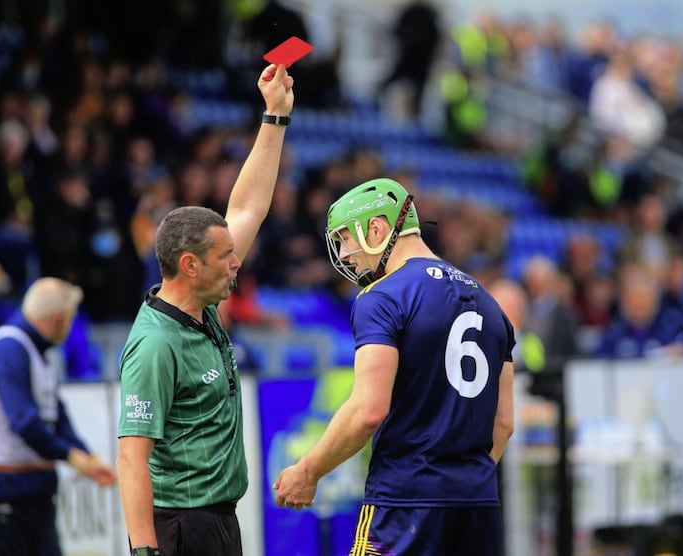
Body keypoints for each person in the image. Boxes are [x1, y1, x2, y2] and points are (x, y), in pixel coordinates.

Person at [273, 178, 516, 555]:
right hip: (478, 503)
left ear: (376, 228)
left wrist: (308, 471)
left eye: (344, 239)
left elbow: (368, 410)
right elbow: (503, 423)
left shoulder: (383, 296)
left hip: (406, 499)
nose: (344, 255)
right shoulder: (491, 303)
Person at [116, 61, 294, 556]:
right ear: (191, 265)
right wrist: (145, 551)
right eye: (226, 257)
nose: (238, 263)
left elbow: (248, 207)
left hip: (216, 522)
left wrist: (274, 117)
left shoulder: (203, 309)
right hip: (180, 530)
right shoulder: (155, 344)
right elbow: (132, 458)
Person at [0, 277, 117, 556]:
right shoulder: (10, 350)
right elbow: (25, 421)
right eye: (71, 319)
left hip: (23, 487)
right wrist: (73, 457)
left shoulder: (31, 350)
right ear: (59, 318)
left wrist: (86, 457)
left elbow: (55, 414)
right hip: (2, 487)